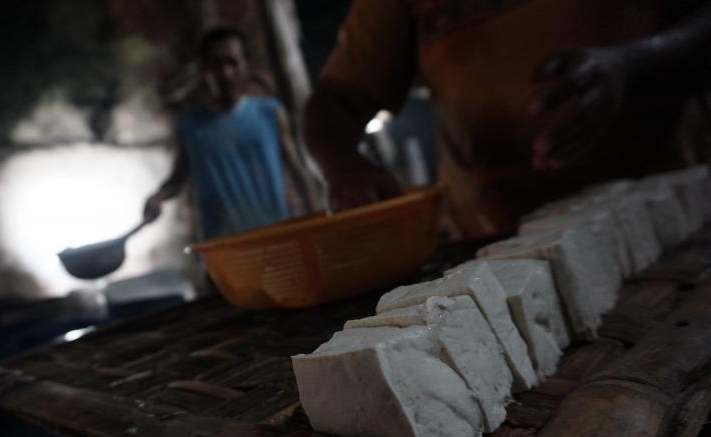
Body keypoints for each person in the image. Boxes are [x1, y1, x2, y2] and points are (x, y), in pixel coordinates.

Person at [304, 0, 711, 239]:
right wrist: (345, 167)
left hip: (671, 225)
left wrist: (630, 68)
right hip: (494, 243)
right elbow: (336, 100)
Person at [143, 26, 319, 242]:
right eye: (216, 64)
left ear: (246, 65)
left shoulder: (270, 113)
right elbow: (176, 180)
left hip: (278, 238)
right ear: (204, 69)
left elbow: (298, 171)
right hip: (222, 250)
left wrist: (316, 220)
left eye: (232, 63)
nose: (225, 74)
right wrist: (158, 197)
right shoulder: (190, 126)